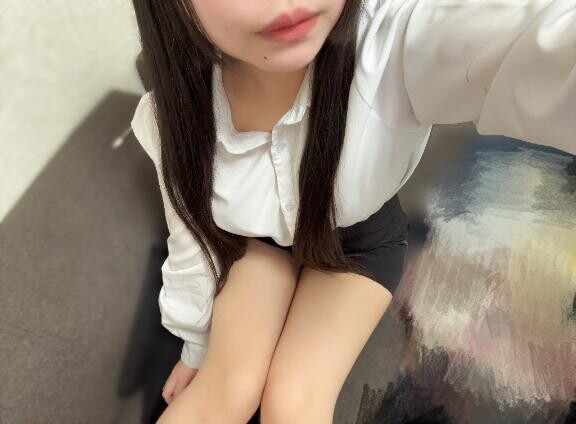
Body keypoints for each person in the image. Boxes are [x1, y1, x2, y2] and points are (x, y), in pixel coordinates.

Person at [129, 0, 576, 422]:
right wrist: (194, 345)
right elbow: (190, 234)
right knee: (226, 390)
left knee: (293, 402)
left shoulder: (394, 43)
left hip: (360, 243)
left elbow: (535, 45)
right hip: (258, 244)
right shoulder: (172, 118)